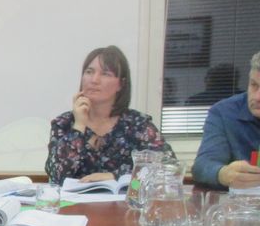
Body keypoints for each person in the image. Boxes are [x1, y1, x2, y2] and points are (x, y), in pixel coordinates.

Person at [45, 45, 174, 184]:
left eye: (105, 74)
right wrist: (79, 125)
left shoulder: (137, 124)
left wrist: (115, 176)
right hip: (74, 198)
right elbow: (56, 176)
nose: (94, 80)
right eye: (89, 72)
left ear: (121, 84)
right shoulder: (64, 123)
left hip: (125, 198)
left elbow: (169, 166)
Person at [192, 51, 260, 190]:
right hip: (241, 201)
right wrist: (222, 174)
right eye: (254, 85)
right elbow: (202, 166)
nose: (257, 97)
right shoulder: (224, 112)